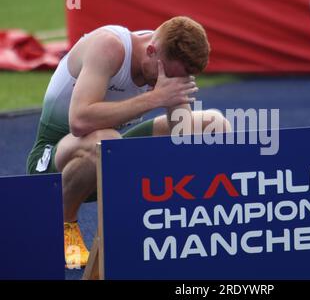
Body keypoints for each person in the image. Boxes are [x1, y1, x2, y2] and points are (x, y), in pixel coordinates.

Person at [26, 16, 231, 267]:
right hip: (54, 163)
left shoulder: (167, 61)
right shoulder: (109, 47)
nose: (164, 83)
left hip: (113, 157)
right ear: (152, 51)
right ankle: (64, 225)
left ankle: (182, 224)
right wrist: (156, 98)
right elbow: (78, 122)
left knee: (213, 125)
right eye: (166, 76)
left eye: (178, 79)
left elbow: (184, 137)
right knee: (107, 141)